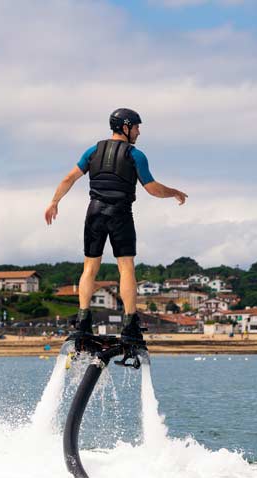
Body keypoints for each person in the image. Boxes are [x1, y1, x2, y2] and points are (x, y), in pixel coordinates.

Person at [44, 108, 187, 347]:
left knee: (89, 267)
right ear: (126, 127)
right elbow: (151, 188)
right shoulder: (135, 155)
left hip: (94, 213)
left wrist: (54, 202)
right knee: (126, 267)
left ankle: (82, 322)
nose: (139, 132)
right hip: (120, 213)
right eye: (137, 127)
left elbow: (69, 178)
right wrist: (174, 192)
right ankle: (130, 324)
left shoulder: (92, 150)